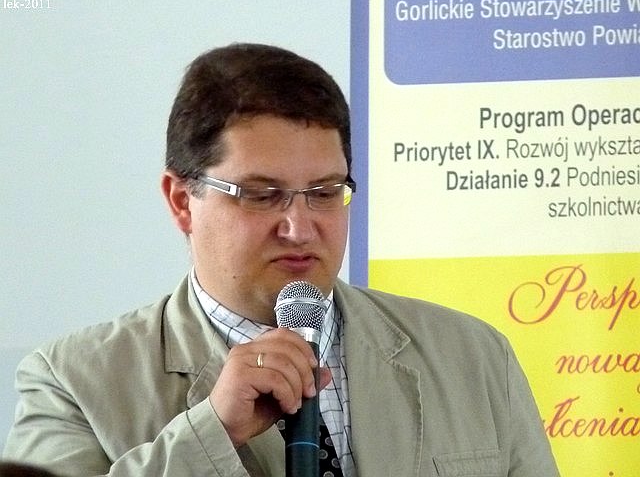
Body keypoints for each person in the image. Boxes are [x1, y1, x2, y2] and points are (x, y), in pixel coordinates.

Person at [2, 43, 559, 476]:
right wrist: (211, 433)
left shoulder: (474, 357)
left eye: (324, 192)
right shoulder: (72, 382)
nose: (299, 227)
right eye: (262, 195)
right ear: (181, 202)